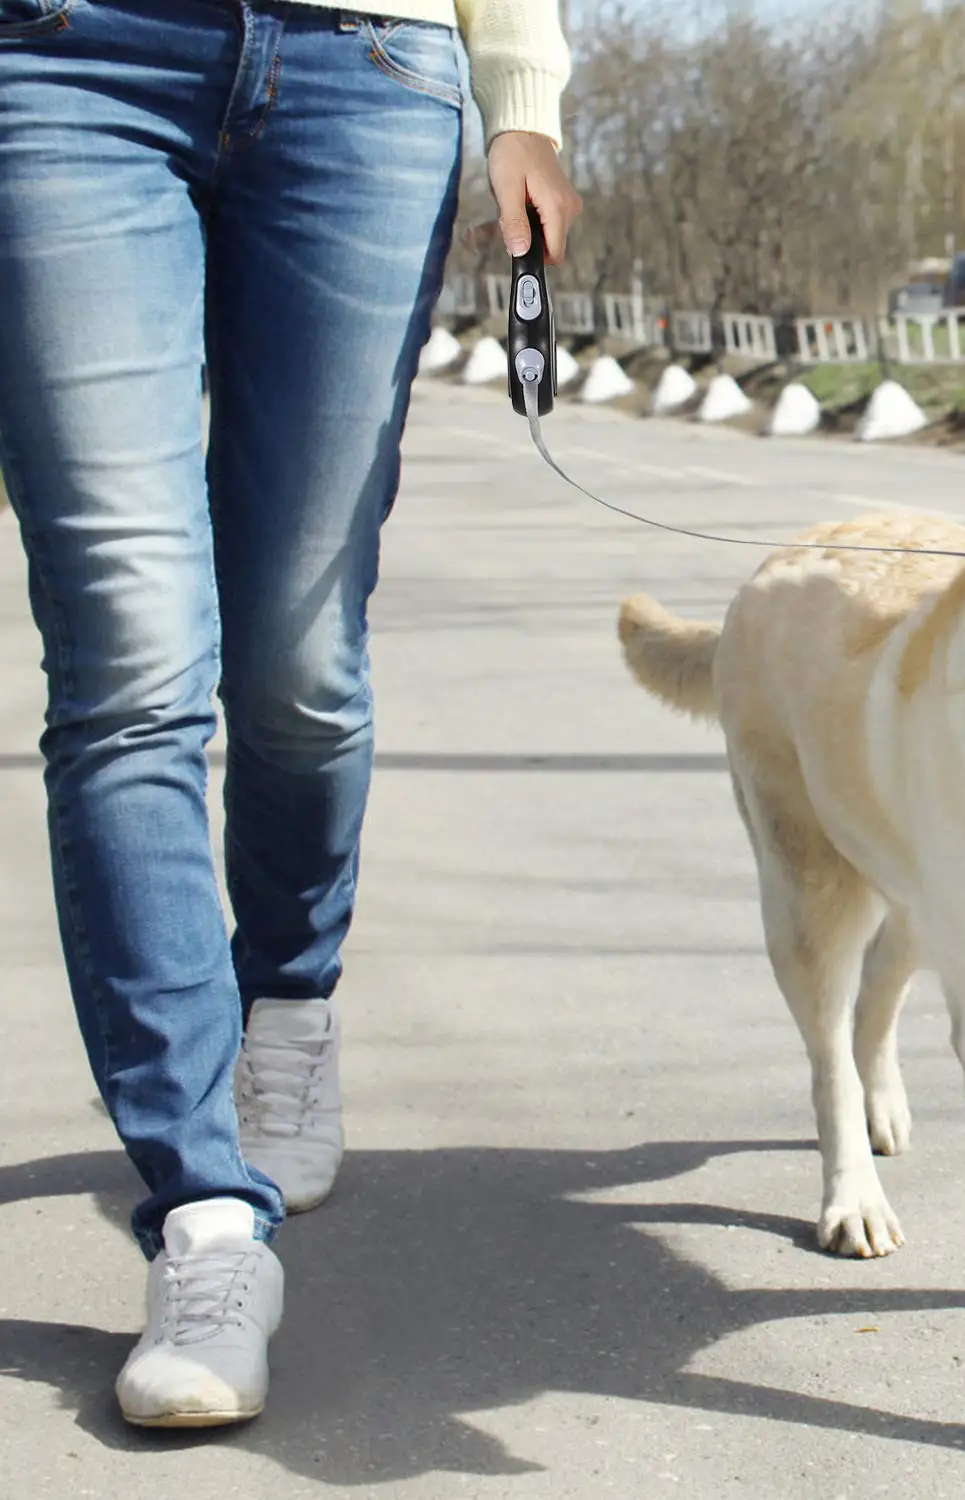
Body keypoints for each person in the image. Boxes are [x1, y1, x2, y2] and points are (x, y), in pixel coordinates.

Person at [0, 0, 581, 1428]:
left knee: (299, 663)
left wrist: (523, 95)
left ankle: (289, 1003)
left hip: (366, 66)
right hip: (63, 54)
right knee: (131, 663)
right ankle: (205, 1218)